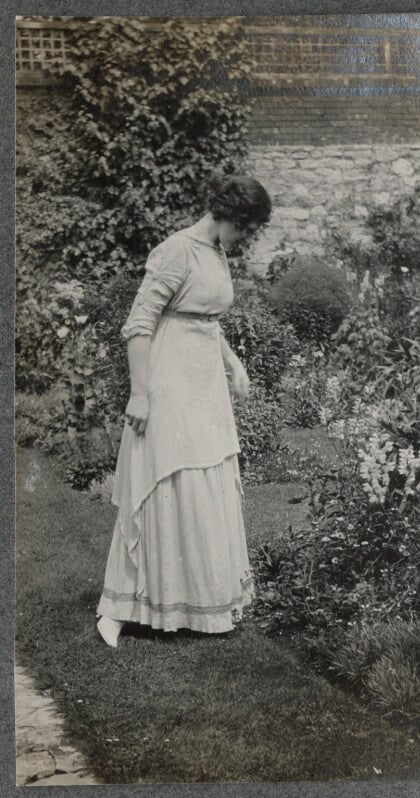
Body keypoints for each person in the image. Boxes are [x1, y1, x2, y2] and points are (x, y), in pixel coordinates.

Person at [96, 174, 272, 647]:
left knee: (205, 477)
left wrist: (234, 366)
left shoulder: (217, 252)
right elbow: (139, 323)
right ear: (232, 217)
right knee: (170, 478)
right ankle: (124, 607)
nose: (247, 237)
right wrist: (140, 393)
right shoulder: (177, 250)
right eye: (248, 227)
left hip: (205, 383)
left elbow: (208, 322)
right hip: (169, 376)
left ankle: (198, 604)